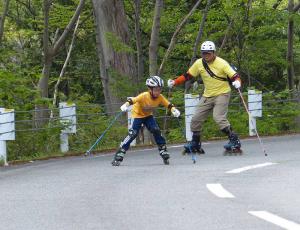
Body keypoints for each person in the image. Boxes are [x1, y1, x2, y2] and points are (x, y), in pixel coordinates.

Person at [167, 40, 242, 154]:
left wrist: (237, 82)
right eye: (204, 53)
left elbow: (235, 76)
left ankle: (234, 140)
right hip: (208, 95)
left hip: (222, 93)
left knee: (218, 117)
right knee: (195, 119)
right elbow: (188, 75)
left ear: (213, 53)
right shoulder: (199, 63)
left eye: (208, 53)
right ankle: (195, 143)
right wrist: (174, 82)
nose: (206, 55)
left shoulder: (222, 63)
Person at [112, 76, 181, 166]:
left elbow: (168, 104)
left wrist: (173, 110)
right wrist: (126, 105)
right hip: (138, 116)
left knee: (155, 130)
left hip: (148, 116)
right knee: (133, 133)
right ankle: (121, 151)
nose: (158, 92)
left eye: (160, 89)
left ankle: (162, 148)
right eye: (156, 89)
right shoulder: (144, 96)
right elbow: (133, 100)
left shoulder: (160, 97)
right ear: (150, 89)